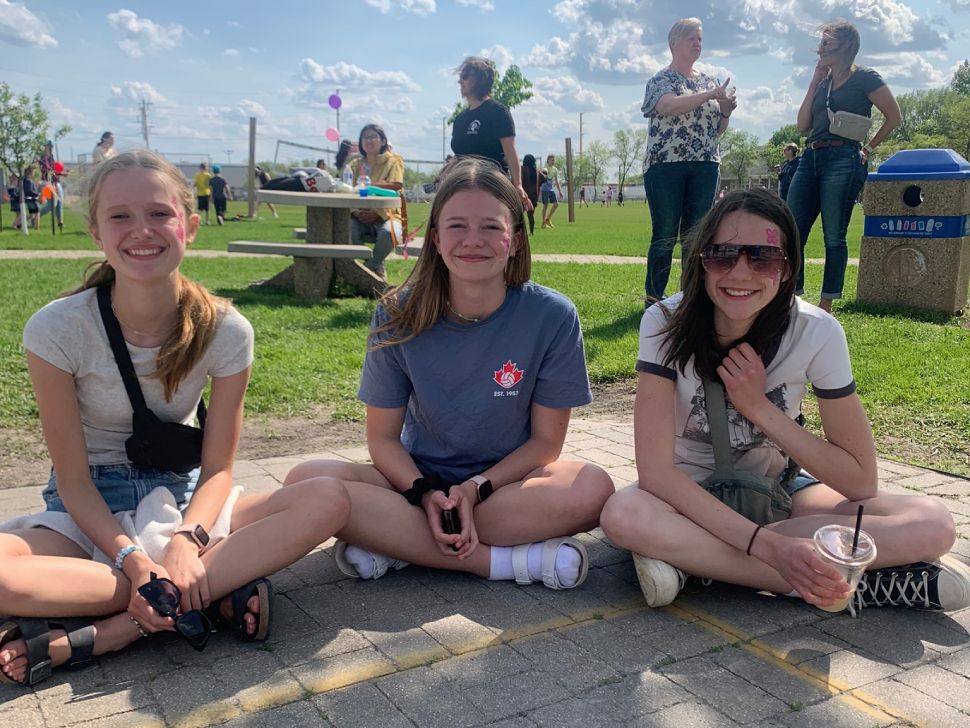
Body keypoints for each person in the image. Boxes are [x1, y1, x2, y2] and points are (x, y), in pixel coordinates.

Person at [0, 150, 350, 687]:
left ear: (188, 224)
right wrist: (136, 563)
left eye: (159, 214)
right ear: (96, 231)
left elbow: (217, 472)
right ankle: (202, 596)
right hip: (90, 508)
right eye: (120, 216)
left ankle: (118, 629)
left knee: (329, 498)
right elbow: (71, 480)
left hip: (186, 504)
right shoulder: (56, 330)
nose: (142, 230)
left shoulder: (226, 329)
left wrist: (187, 542)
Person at [600, 188, 970, 615]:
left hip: (777, 491)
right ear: (701, 262)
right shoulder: (663, 323)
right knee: (623, 514)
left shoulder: (817, 332)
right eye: (722, 254)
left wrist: (758, 407)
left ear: (788, 266)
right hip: (686, 495)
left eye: (763, 257)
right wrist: (771, 547)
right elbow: (657, 474)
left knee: (932, 524)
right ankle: (851, 586)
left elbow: (860, 481)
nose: (740, 273)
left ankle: (695, 563)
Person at [283, 157, 614, 592]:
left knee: (593, 488)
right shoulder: (397, 312)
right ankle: (501, 562)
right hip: (415, 483)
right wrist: (424, 495)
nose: (473, 241)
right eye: (457, 226)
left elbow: (545, 444)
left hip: (504, 485)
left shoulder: (552, 316)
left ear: (514, 240)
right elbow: (382, 440)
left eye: (491, 227)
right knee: (302, 481)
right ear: (435, 239)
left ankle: (397, 542)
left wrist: (475, 490)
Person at [787, 21, 900, 313]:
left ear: (846, 46)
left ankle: (825, 304)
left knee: (833, 236)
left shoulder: (865, 77)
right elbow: (802, 126)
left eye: (826, 43)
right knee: (792, 231)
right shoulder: (822, 83)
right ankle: (794, 298)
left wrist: (868, 149)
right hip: (810, 157)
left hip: (842, 158)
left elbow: (893, 116)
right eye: (821, 43)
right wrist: (813, 83)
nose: (820, 48)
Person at [641, 18, 737, 304]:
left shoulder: (709, 80)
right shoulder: (660, 80)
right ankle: (654, 297)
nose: (698, 43)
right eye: (691, 38)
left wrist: (725, 111)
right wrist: (710, 95)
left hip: (705, 164)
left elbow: (716, 130)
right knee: (665, 233)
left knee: (696, 235)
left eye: (700, 39)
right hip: (665, 165)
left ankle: (688, 296)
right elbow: (668, 106)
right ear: (674, 43)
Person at [450, 56, 533, 212]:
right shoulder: (460, 119)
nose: (460, 81)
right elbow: (459, 155)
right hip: (463, 186)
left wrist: (518, 186)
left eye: (465, 76)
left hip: (492, 186)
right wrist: (445, 173)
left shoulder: (498, 112)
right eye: (460, 77)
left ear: (480, 80)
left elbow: (510, 151)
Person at [350, 124, 404, 278]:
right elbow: (347, 190)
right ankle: (376, 265)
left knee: (390, 232)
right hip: (358, 215)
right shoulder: (355, 165)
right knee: (345, 230)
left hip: (388, 214)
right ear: (360, 142)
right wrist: (356, 211)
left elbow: (395, 186)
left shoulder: (394, 161)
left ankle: (365, 272)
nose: (369, 140)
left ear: (383, 140)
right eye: (365, 137)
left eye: (374, 136)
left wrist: (376, 212)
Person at [520, 154, 542, 234]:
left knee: (519, 216)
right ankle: (531, 232)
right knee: (530, 216)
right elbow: (545, 178)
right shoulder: (536, 171)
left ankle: (521, 232)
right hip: (533, 197)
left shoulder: (522, 170)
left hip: (522, 195)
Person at [540, 154, 562, 228]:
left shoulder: (555, 169)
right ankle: (543, 224)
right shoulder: (545, 167)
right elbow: (541, 178)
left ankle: (547, 219)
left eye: (554, 160)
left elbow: (556, 181)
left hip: (551, 189)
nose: (553, 161)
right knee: (545, 205)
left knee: (556, 204)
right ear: (548, 160)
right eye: (552, 160)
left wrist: (559, 191)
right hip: (545, 189)